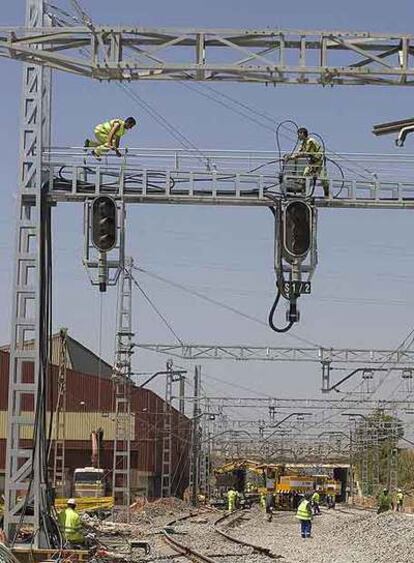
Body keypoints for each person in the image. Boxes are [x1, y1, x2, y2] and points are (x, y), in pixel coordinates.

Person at [285, 127, 329, 197]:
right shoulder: (303, 144)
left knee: (323, 178)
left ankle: (327, 192)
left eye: (299, 134)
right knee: (305, 174)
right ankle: (304, 191)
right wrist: (290, 157)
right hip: (312, 161)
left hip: (320, 161)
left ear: (302, 134)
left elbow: (305, 153)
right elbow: (299, 152)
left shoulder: (310, 141)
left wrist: (294, 156)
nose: (298, 136)